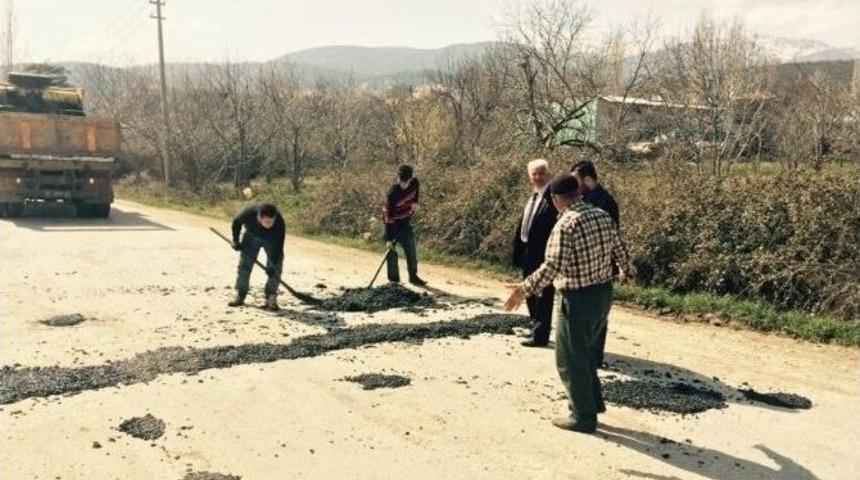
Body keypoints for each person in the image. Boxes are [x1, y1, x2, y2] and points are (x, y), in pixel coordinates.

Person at [505, 174, 628, 434]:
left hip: (577, 297)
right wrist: (628, 271)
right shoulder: (601, 215)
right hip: (602, 294)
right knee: (585, 353)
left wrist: (522, 290)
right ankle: (591, 405)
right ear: (578, 192)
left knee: (570, 358)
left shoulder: (566, 224)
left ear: (556, 199)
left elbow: (552, 267)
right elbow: (619, 250)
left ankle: (582, 417)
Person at [571, 159, 620, 366]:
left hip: (600, 265)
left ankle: (595, 356)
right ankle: (585, 353)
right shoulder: (581, 199)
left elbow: (612, 238)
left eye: (576, 180)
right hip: (583, 265)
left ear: (588, 179)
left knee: (598, 313)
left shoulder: (605, 202)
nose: (574, 185)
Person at [512, 159, 558, 348]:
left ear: (548, 173)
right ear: (529, 177)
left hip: (544, 253)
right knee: (529, 291)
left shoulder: (553, 198)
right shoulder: (533, 196)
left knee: (544, 294)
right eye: (534, 174)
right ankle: (535, 327)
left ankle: (541, 335)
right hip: (528, 251)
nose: (538, 177)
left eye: (542, 173)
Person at [228, 202, 286, 311]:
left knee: (276, 267)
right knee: (245, 265)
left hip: (271, 240)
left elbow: (279, 246)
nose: (270, 224)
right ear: (259, 218)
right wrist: (235, 241)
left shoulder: (279, 223)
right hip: (251, 236)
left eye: (271, 221)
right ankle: (240, 294)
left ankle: (271, 296)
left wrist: (273, 264)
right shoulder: (249, 212)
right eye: (267, 222)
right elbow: (236, 222)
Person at [383, 164, 426, 286]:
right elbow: (388, 218)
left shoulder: (414, 184)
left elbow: (416, 195)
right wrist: (389, 239)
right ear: (398, 178)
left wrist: (415, 204)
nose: (402, 184)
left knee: (411, 250)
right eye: (400, 181)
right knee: (391, 251)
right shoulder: (392, 194)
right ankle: (393, 281)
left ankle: (413, 277)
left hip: (405, 222)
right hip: (392, 223)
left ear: (410, 180)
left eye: (405, 182)